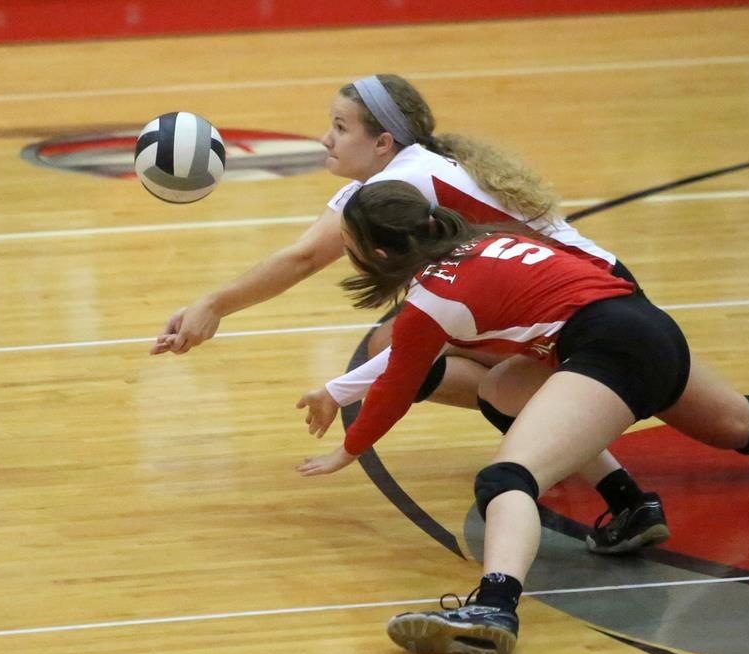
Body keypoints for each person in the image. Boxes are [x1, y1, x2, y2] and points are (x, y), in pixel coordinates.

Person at [296, 181, 749, 654]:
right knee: (738, 423)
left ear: (380, 256)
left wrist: (347, 448)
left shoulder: (431, 300)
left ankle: (493, 605)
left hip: (609, 347)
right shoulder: (493, 244)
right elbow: (597, 272)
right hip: (638, 321)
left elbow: (394, 387)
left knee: (507, 478)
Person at [152, 73, 671, 552]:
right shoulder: (392, 179)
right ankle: (604, 481)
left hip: (593, 302)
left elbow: (306, 257)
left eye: (339, 127)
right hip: (580, 298)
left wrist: (215, 306)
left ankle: (556, 456)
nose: (325, 139)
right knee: (479, 378)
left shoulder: (405, 182)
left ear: (383, 142)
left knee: (734, 427)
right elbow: (315, 258)